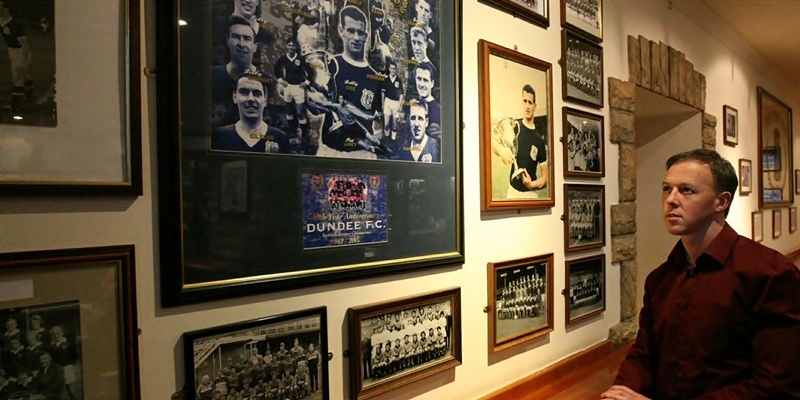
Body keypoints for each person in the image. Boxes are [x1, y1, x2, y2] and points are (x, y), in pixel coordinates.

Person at [602, 149, 800, 400]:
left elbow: (775, 384)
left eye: (686, 190)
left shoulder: (769, 273)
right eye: (667, 189)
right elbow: (644, 352)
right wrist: (623, 391)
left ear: (721, 201)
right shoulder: (661, 279)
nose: (671, 200)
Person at [311, 5, 386, 159]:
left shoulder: (375, 77)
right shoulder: (330, 65)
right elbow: (314, 104)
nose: (356, 37)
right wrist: (313, 101)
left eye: (360, 32)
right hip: (331, 152)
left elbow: (379, 123)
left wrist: (374, 142)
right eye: (351, 31)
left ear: (366, 36)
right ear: (341, 30)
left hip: (362, 154)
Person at [210, 16, 272, 128]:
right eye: (236, 37)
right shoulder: (210, 76)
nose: (241, 44)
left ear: (255, 47)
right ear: (227, 41)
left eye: (247, 38)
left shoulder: (267, 81)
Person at [492, 84, 548, 199]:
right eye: (525, 101)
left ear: (535, 106)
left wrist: (531, 185)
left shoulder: (539, 140)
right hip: (512, 192)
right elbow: (493, 143)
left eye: (530, 102)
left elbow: (545, 179)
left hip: (530, 195)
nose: (527, 106)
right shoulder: (513, 127)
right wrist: (501, 151)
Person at [211, 74, 290, 153]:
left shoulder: (280, 138)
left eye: (257, 93)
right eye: (244, 92)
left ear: (265, 100)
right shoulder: (220, 136)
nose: (250, 99)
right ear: (234, 96)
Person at [274, 38, 310, 143]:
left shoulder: (300, 59)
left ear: (296, 47)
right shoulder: (283, 58)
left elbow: (310, 71)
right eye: (289, 45)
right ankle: (291, 132)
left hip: (298, 87)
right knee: (289, 110)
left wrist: (306, 83)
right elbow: (277, 69)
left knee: (300, 112)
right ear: (286, 46)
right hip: (288, 87)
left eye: (293, 46)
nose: (291, 47)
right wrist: (281, 80)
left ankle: (304, 136)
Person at [0, 0, 33, 112]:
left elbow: (24, 44)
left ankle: (15, 105)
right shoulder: (2, 21)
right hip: (12, 51)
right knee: (23, 75)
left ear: (6, 8)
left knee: (17, 78)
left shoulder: (14, 25)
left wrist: (25, 59)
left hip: (19, 51)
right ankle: (30, 94)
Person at [411, 62, 440, 141]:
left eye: (425, 80)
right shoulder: (412, 106)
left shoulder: (439, 110)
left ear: (432, 83)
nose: (422, 84)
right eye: (419, 79)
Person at [380, 59, 404, 142]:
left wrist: (400, 105)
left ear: (396, 70)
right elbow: (383, 93)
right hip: (387, 101)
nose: (393, 70)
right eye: (392, 68)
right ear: (389, 69)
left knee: (394, 124)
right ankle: (387, 140)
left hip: (396, 102)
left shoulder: (399, 80)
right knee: (386, 124)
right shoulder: (386, 79)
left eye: (394, 69)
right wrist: (383, 104)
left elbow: (401, 94)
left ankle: (393, 141)